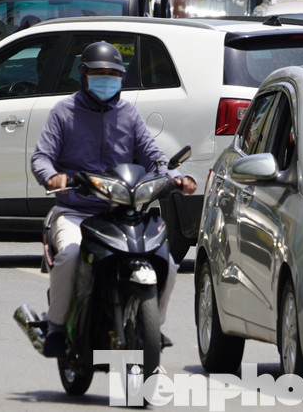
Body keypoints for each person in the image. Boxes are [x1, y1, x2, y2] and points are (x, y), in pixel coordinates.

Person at [30, 40, 196, 357]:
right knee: (70, 256)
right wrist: (53, 176)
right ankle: (55, 327)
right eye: (99, 73)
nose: (107, 79)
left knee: (169, 264)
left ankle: (153, 326)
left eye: (113, 74)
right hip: (77, 212)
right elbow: (42, 158)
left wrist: (175, 178)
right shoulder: (63, 113)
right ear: (84, 76)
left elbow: (153, 156)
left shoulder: (129, 114)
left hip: (123, 214)